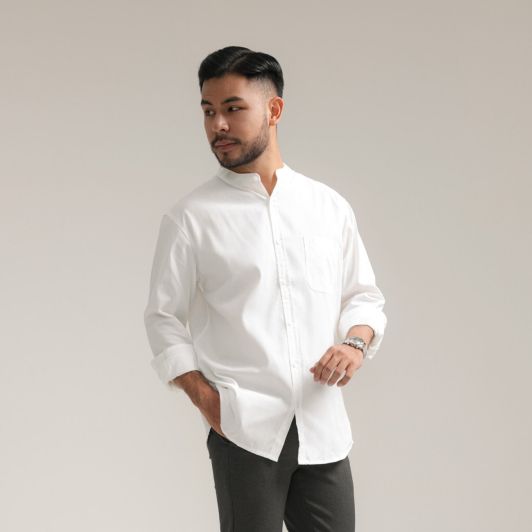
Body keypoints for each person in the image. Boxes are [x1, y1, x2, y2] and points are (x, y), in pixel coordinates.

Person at [143, 45, 387, 532]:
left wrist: (354, 344)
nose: (218, 125)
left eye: (233, 108)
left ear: (274, 110)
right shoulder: (192, 218)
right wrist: (208, 401)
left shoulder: (328, 208)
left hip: (323, 429)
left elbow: (363, 296)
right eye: (208, 112)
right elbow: (163, 318)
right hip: (245, 431)